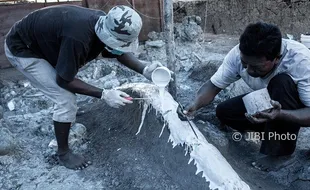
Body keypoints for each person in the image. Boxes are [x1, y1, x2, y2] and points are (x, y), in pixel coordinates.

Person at [4, 5, 164, 170]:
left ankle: (67, 119)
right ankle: (63, 153)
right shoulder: (78, 38)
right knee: (65, 98)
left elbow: (117, 50)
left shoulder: (104, 24)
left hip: (46, 43)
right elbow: (63, 80)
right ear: (107, 35)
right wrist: (104, 94)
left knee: (69, 78)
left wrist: (144, 69)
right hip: (23, 48)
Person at [183, 22, 310, 171]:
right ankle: (271, 130)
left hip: (296, 106)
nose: (249, 70)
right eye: (245, 64)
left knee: (281, 82)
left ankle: (281, 154)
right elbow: (213, 85)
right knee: (224, 112)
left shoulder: (300, 61)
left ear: (276, 58)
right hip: (270, 100)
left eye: (257, 67)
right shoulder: (237, 54)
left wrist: (280, 114)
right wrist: (195, 104)